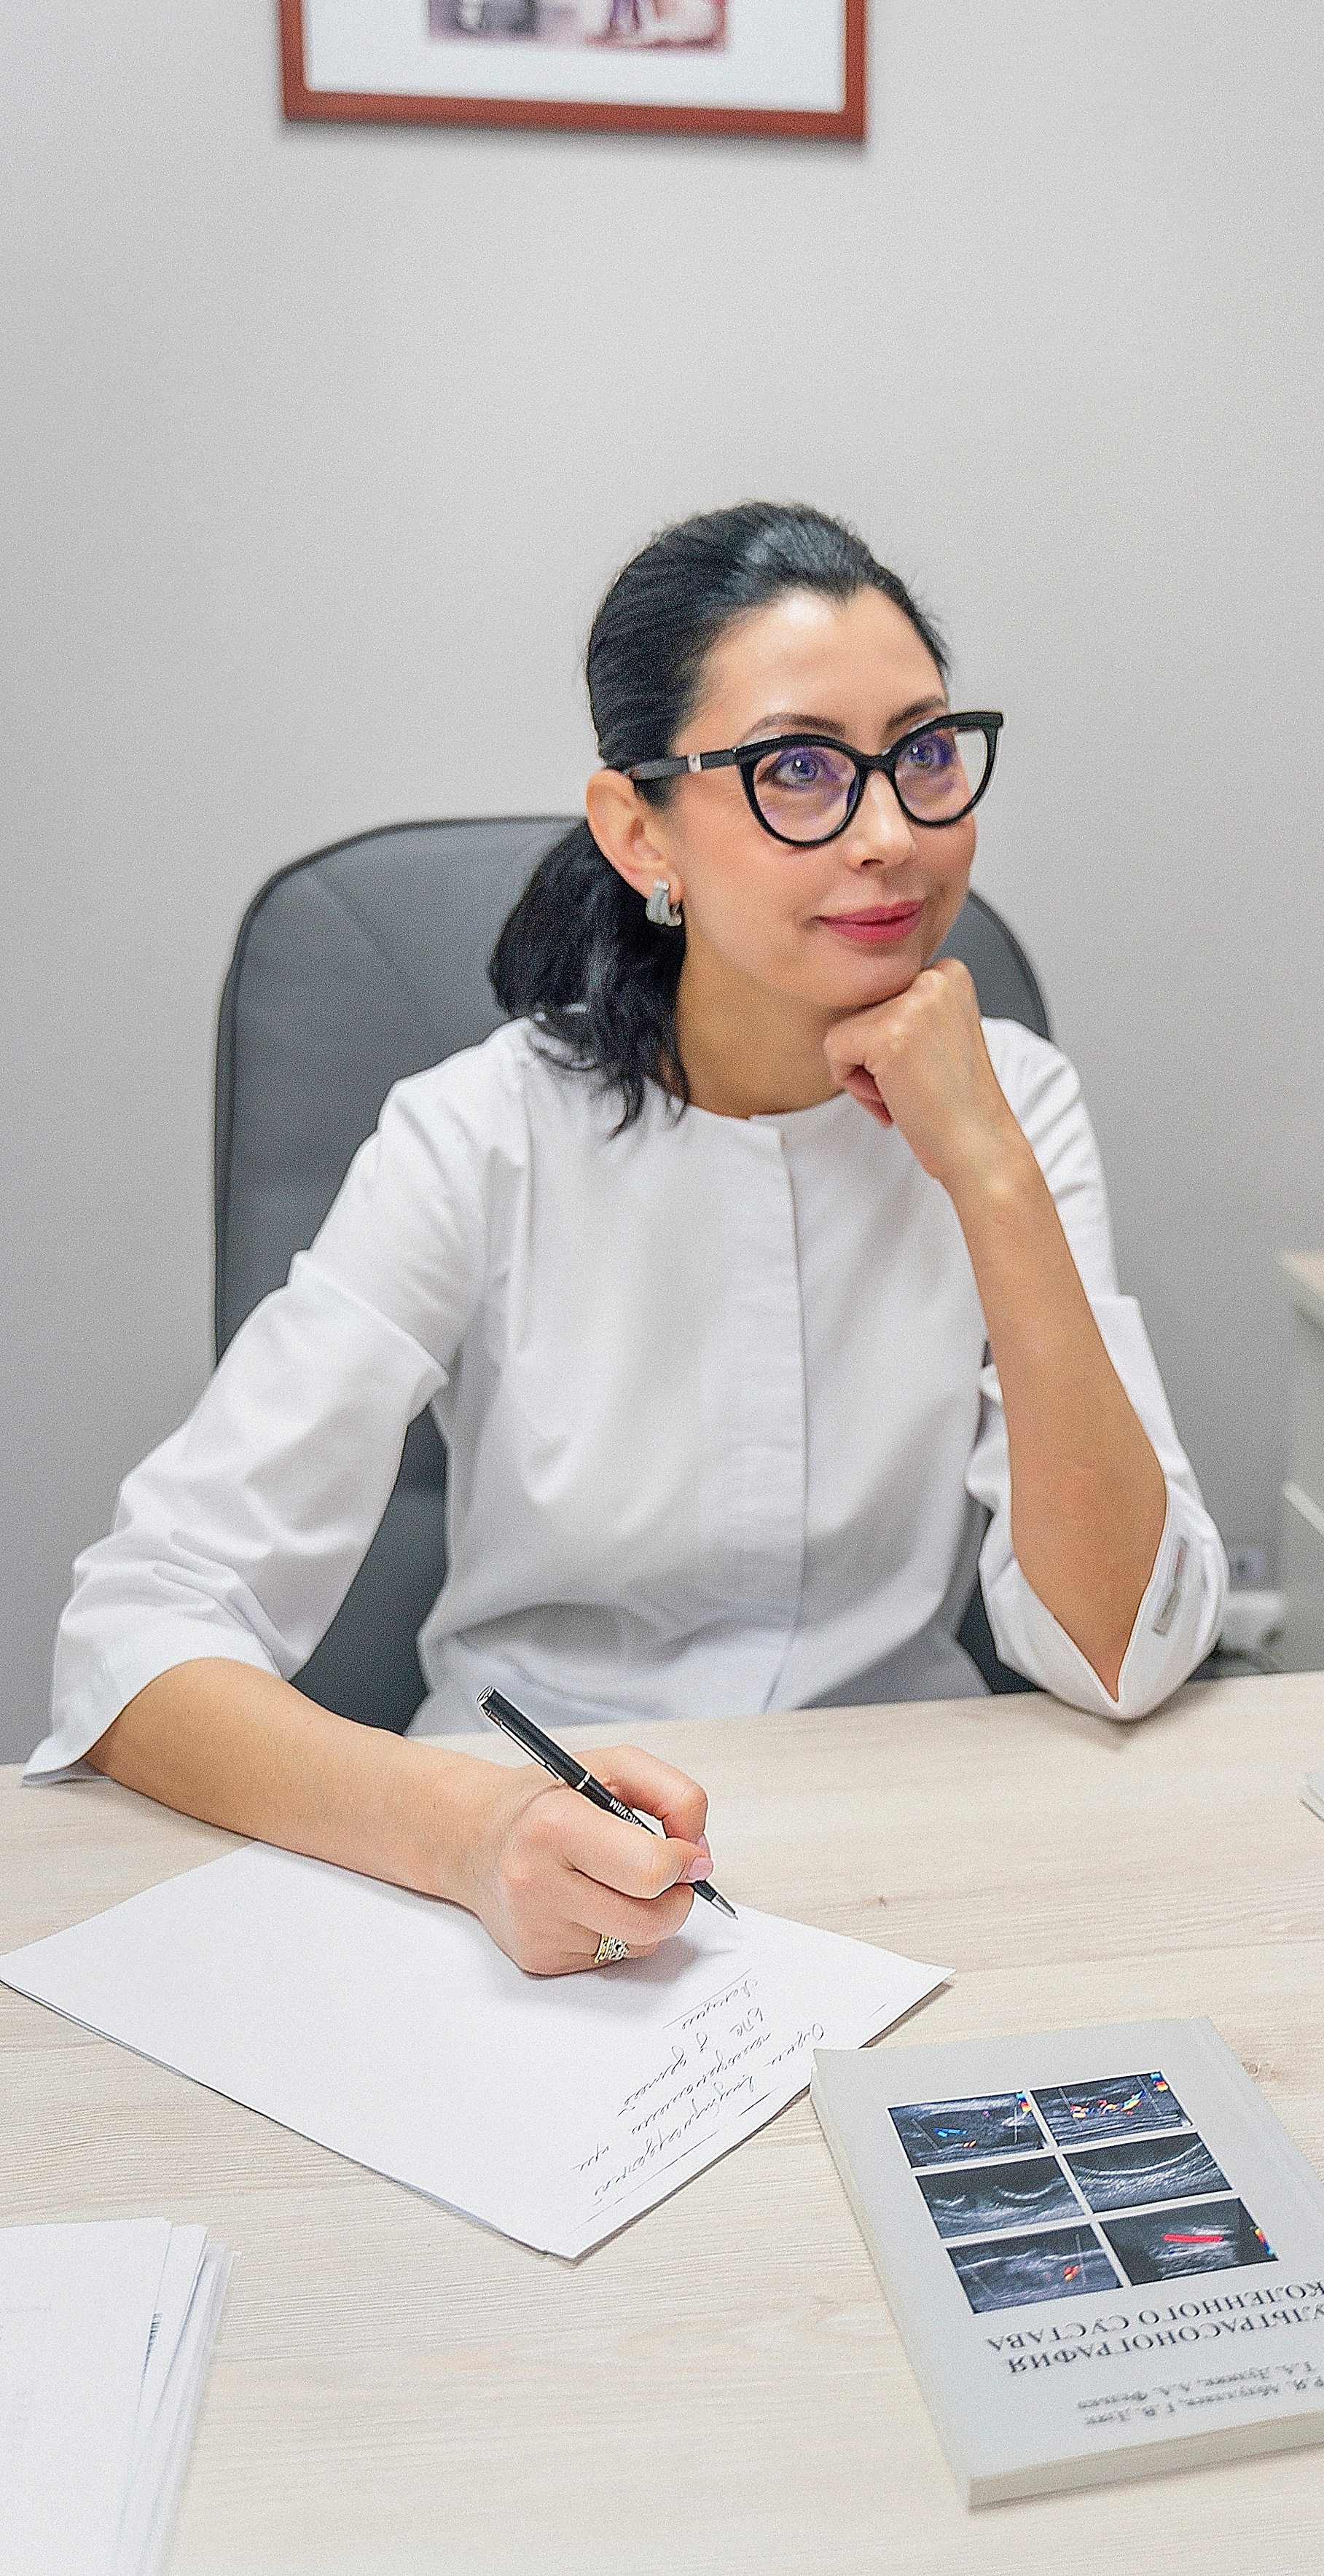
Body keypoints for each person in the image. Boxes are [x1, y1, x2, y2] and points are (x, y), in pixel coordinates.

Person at [31, 506, 1226, 1978]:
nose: (889, 834)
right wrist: (466, 1829)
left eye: (921, 751)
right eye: (796, 766)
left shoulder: (1015, 1103)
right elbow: (136, 1633)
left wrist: (987, 1169)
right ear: (637, 830)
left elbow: (1123, 1649)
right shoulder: (478, 1133)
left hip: (916, 1856)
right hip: (535, 1863)